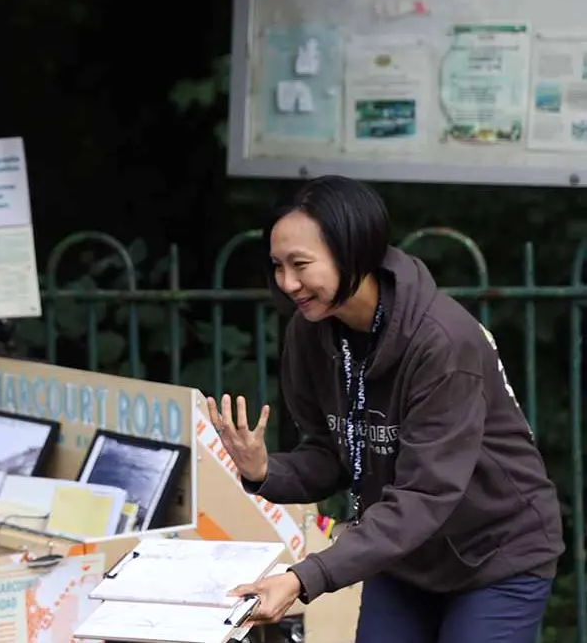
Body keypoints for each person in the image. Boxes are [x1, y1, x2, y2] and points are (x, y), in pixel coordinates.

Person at [206, 175, 564, 642]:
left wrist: (301, 578)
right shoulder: (309, 330)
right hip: (402, 554)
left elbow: (426, 494)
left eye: (301, 264)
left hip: (495, 553)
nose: (288, 283)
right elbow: (333, 455)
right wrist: (265, 470)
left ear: (353, 252)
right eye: (277, 265)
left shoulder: (441, 341)